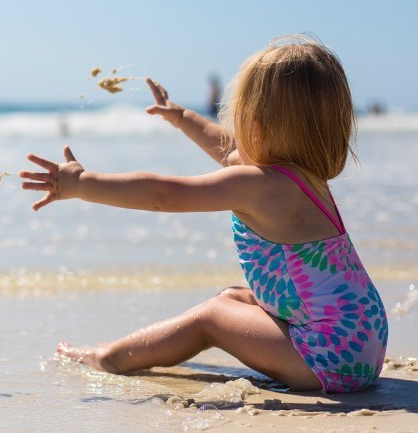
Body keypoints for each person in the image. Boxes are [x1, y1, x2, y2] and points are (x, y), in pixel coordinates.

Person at [19, 36, 387, 393]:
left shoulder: (262, 185)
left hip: (329, 359)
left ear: (255, 124)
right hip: (361, 341)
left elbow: (164, 195)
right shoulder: (303, 179)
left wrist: (82, 184)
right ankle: (140, 350)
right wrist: (182, 117)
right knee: (233, 298)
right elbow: (227, 149)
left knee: (211, 317)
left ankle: (109, 357)